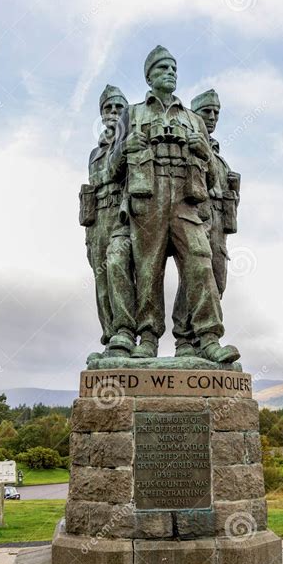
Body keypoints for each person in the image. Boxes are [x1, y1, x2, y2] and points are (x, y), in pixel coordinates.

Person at [109, 46, 239, 364]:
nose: (170, 73)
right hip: (148, 200)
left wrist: (204, 152)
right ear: (149, 76)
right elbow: (112, 171)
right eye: (163, 68)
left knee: (200, 263)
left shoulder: (193, 119)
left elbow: (213, 179)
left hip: (186, 201)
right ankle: (148, 338)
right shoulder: (133, 114)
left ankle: (207, 337)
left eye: (174, 69)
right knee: (147, 269)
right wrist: (125, 148)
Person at [172, 89, 241, 356]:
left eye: (216, 113)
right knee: (195, 278)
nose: (212, 117)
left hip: (219, 227)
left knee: (217, 281)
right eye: (206, 112)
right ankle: (186, 339)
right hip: (195, 219)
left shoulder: (219, 158)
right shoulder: (186, 146)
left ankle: (200, 342)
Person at [81, 85, 136, 356]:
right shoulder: (95, 153)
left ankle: (127, 333)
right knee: (101, 283)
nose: (113, 112)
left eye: (118, 107)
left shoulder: (132, 141)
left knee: (118, 269)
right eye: (108, 108)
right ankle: (111, 339)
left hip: (123, 215)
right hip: (97, 219)